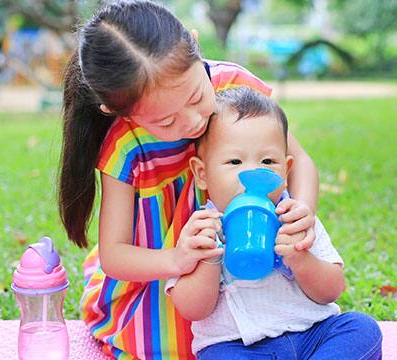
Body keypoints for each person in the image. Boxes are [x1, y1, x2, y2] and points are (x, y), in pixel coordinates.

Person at [58, 1, 319, 358]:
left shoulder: (235, 88)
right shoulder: (125, 146)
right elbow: (115, 255)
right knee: (181, 345)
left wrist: (301, 210)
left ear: (195, 45)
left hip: (253, 254)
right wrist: (178, 260)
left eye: (196, 96)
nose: (192, 122)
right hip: (164, 273)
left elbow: (299, 160)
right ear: (116, 110)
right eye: (165, 122)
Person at [167, 87, 382, 359]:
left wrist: (301, 259)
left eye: (268, 161)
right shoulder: (200, 229)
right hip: (238, 346)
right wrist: (209, 260)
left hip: (313, 334)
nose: (252, 173)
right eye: (235, 161)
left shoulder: (294, 218)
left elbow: (332, 291)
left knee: (362, 329)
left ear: (286, 169)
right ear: (202, 173)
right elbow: (191, 309)